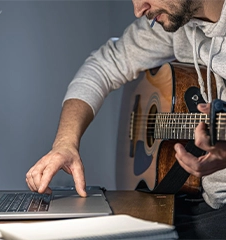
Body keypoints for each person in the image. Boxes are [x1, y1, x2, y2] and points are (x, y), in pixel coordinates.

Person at [26, 0, 226, 238]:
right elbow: (102, 67)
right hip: (196, 202)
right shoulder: (178, 23)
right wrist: (65, 143)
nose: (138, 9)